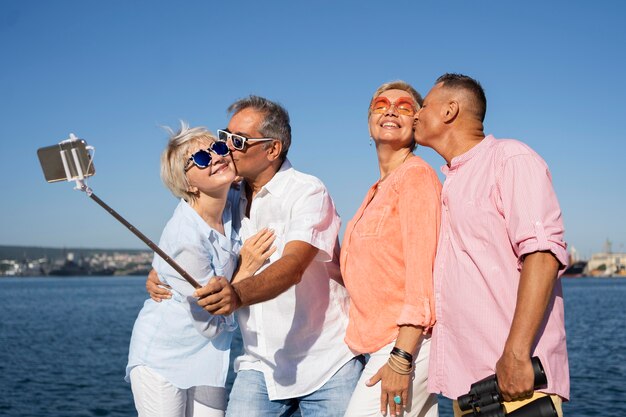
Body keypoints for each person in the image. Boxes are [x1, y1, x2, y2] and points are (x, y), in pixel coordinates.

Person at [148, 96, 363, 417]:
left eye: (238, 141)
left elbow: (292, 267)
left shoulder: (307, 192)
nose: (226, 148)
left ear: (272, 150)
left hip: (328, 362)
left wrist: (236, 294)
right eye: (225, 137)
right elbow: (187, 220)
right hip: (259, 365)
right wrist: (159, 267)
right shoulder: (227, 192)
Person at [413, 73, 569, 416]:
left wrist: (516, 353)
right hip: (470, 392)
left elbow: (542, 255)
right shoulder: (452, 182)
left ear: (450, 110)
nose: (415, 115)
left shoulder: (510, 158)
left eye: (423, 106)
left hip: (515, 384)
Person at [126, 124, 274, 417]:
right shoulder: (186, 238)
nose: (217, 157)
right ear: (188, 184)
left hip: (206, 360)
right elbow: (210, 323)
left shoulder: (232, 201)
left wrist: (158, 271)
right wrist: (245, 268)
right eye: (203, 159)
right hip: (162, 359)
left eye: (218, 149)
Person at [340, 81, 440, 417]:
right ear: (370, 121)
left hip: (406, 343)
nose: (391, 110)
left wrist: (402, 358)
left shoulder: (415, 178)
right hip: (382, 343)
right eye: (381, 104)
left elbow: (421, 274)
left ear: (416, 124)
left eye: (405, 106)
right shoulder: (377, 189)